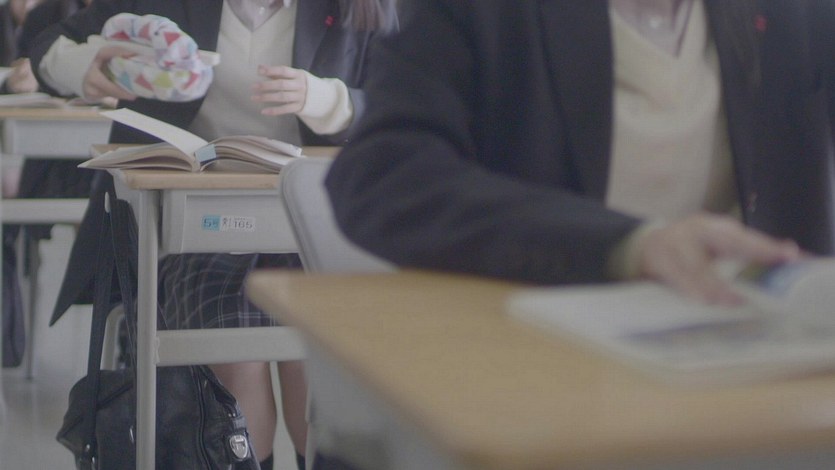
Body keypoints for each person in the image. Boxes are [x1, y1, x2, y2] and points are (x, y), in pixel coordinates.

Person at [29, 1, 397, 469]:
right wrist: (84, 67)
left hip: (312, 227)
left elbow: (402, 104)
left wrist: (330, 101)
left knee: (317, 350)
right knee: (229, 340)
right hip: (199, 230)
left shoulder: (356, 9)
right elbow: (45, 44)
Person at [327, 0, 833, 314]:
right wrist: (629, 246)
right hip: (534, 361)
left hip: (761, 369)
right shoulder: (483, 11)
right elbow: (382, 176)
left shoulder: (797, 12)